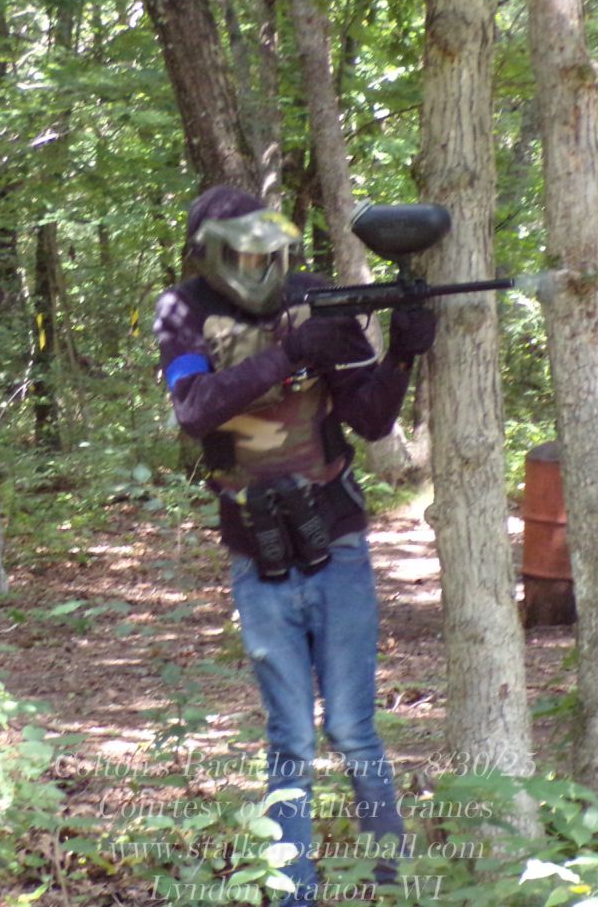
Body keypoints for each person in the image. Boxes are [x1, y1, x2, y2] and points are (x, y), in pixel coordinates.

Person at [153, 185, 436, 905]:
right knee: (291, 740)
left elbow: (371, 421)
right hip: (257, 551)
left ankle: (395, 886)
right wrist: (287, 354)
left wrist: (404, 352)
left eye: (264, 254)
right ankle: (293, 895)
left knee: (353, 730)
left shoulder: (318, 299)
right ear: (211, 255)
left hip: (335, 540)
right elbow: (194, 409)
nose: (256, 266)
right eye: (242, 255)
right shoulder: (182, 311)